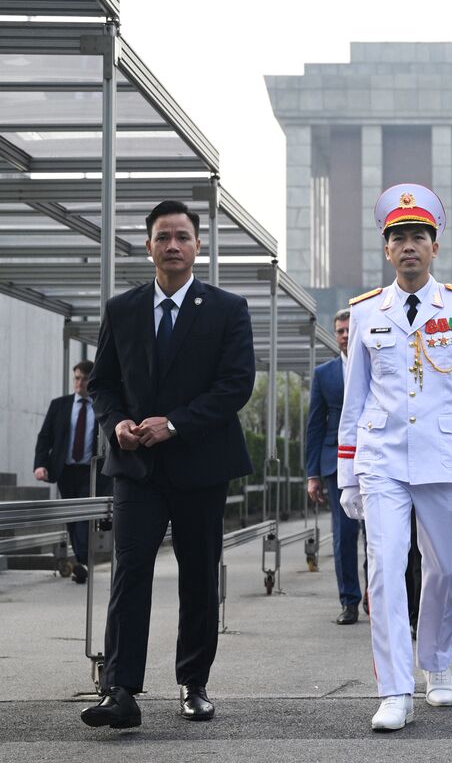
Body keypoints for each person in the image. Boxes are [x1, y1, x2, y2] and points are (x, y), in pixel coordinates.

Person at [336, 183, 452, 731]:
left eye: (418, 236)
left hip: (445, 456)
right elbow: (355, 398)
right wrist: (347, 473)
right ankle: (394, 690)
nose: (408, 245)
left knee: (446, 571)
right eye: (398, 237)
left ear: (435, 246)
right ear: (386, 249)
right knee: (385, 569)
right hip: (382, 458)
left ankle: (435, 661)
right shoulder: (366, 311)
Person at [81, 200, 256, 729]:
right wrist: (116, 423)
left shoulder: (227, 309)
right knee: (130, 572)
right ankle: (120, 690)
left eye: (182, 236)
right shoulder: (122, 309)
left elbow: (235, 385)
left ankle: (193, 683)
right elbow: (102, 383)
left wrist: (174, 424)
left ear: (198, 245)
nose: (173, 245)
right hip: (136, 468)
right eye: (163, 237)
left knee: (198, 574)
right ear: (149, 246)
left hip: (200, 465)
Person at [304, 309, 362, 624]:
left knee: (380, 534)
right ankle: (349, 601)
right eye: (340, 330)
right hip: (336, 463)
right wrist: (312, 473)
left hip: (375, 458)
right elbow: (314, 425)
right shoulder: (324, 374)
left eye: (349, 329)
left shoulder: (376, 365)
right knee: (344, 534)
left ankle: (376, 594)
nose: (344, 335)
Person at [33, 360, 108, 584]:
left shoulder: (101, 405)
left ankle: (81, 559)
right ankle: (81, 562)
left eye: (84, 378)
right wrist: (40, 464)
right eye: (77, 378)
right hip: (65, 471)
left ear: (92, 380)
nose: (79, 383)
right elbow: (45, 437)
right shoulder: (59, 405)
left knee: (83, 515)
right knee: (71, 517)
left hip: (90, 472)